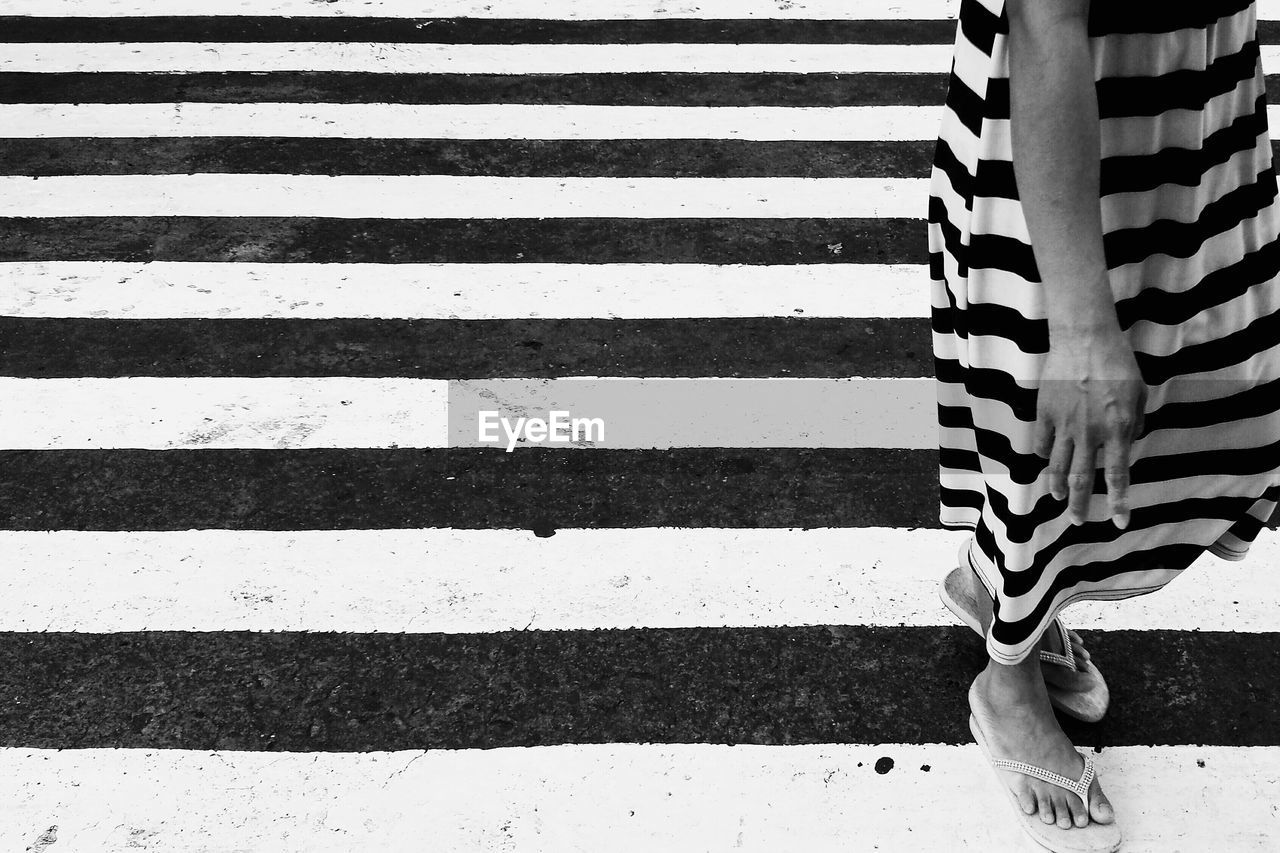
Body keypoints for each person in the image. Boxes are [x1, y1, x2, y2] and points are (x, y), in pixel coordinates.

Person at [928, 0, 1280, 849]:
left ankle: (997, 580)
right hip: (1083, 113)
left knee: (1227, 405)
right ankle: (1006, 684)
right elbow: (1048, 21)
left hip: (1203, 97)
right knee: (1063, 438)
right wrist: (1081, 324)